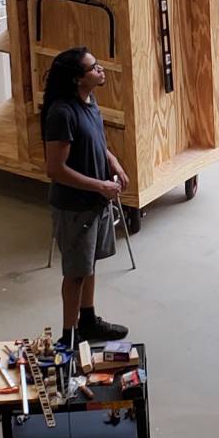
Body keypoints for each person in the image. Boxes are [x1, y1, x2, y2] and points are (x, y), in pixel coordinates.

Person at [41, 46, 131, 348]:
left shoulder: (89, 101)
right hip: (74, 207)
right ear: (77, 79)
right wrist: (99, 186)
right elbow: (56, 169)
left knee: (89, 264)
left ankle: (88, 320)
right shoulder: (61, 114)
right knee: (76, 273)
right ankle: (69, 336)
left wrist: (113, 162)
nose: (101, 70)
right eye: (94, 68)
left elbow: (94, 141)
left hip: (95, 201)